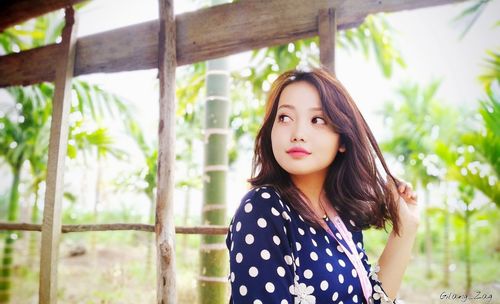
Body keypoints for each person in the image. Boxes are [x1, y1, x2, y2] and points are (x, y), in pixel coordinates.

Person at [225, 67, 419, 304]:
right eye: (284, 117)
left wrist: (406, 228)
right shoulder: (262, 209)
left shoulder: (340, 212)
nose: (297, 133)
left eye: (317, 120)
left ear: (343, 140)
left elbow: (375, 300)